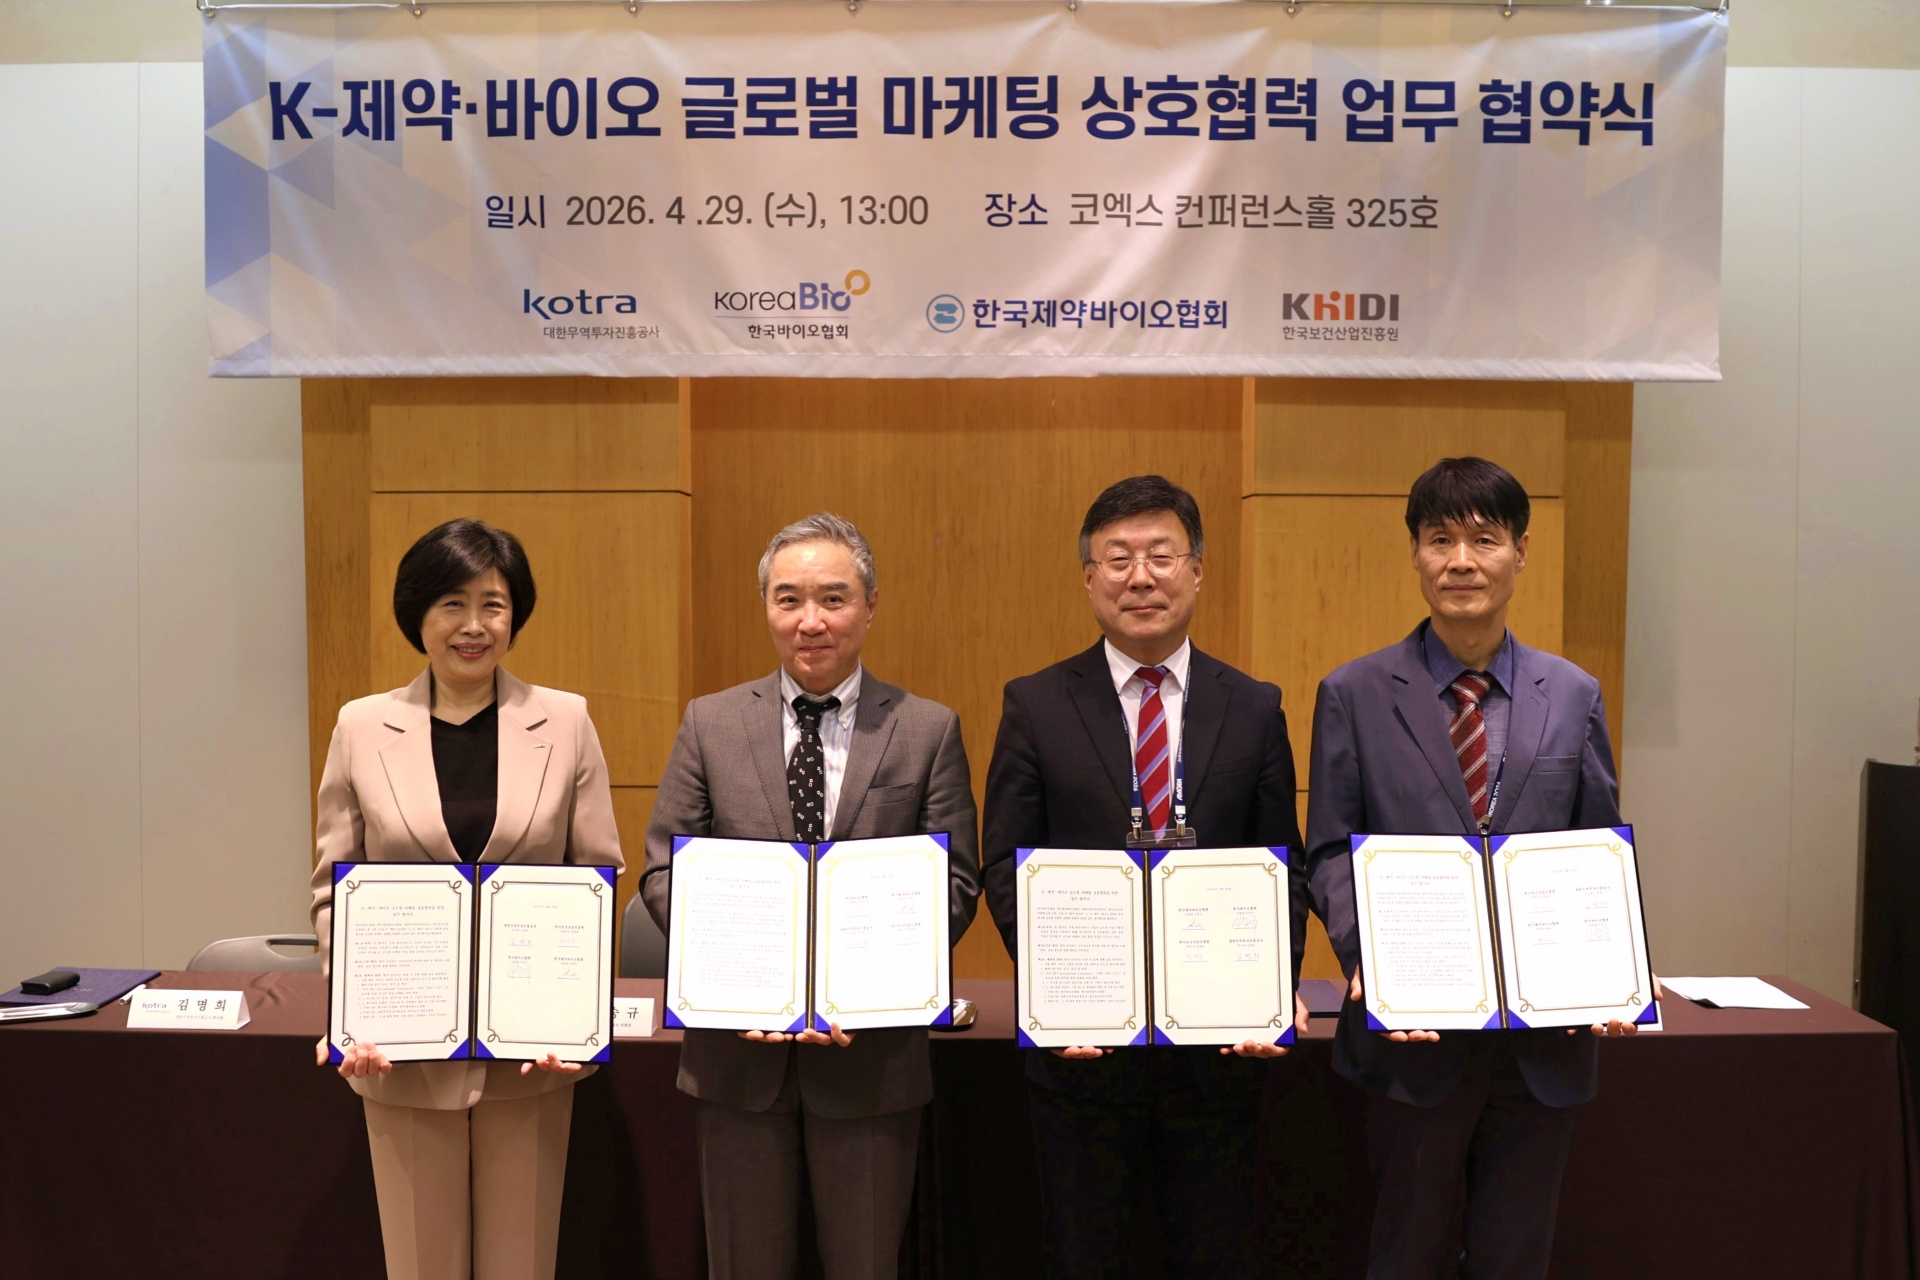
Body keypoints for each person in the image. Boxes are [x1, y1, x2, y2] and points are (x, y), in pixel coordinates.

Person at [1306, 457, 1652, 1280]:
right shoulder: (1353, 692)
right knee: (1406, 1253)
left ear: (1520, 552)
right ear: (1415, 553)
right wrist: (1367, 954)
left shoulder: (1573, 693)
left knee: (1514, 1259)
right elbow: (1329, 848)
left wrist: (1617, 967)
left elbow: (1595, 846)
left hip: (1542, 1044)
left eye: (1485, 539)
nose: (1461, 561)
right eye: (1440, 540)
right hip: (1414, 1037)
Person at [981, 475, 1309, 1280]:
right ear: (1088, 577)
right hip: (1083, 1059)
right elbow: (1005, 863)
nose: (1140, 578)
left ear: (1196, 570)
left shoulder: (1254, 706)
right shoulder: (1036, 704)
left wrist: (1272, 987)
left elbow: (1282, 863)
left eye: (1161, 556)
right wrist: (1059, 990)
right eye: (1118, 558)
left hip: (1219, 1057)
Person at [641, 512, 981, 1280]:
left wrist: (866, 992)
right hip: (737, 1059)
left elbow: (956, 882)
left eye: (833, 598)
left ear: (870, 606)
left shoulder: (926, 729)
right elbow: (663, 872)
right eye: (788, 599)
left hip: (872, 1062)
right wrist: (738, 985)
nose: (811, 620)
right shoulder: (710, 723)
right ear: (766, 607)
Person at [308, 518, 625, 1280]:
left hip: (533, 1059)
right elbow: (333, 889)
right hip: (403, 1059)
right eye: (452, 603)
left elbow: (596, 879)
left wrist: (575, 1015)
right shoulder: (361, 726)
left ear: (516, 615)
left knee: (524, 1265)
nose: (474, 626)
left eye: (493, 604)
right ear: (417, 613)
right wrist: (351, 1015)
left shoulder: (567, 721)